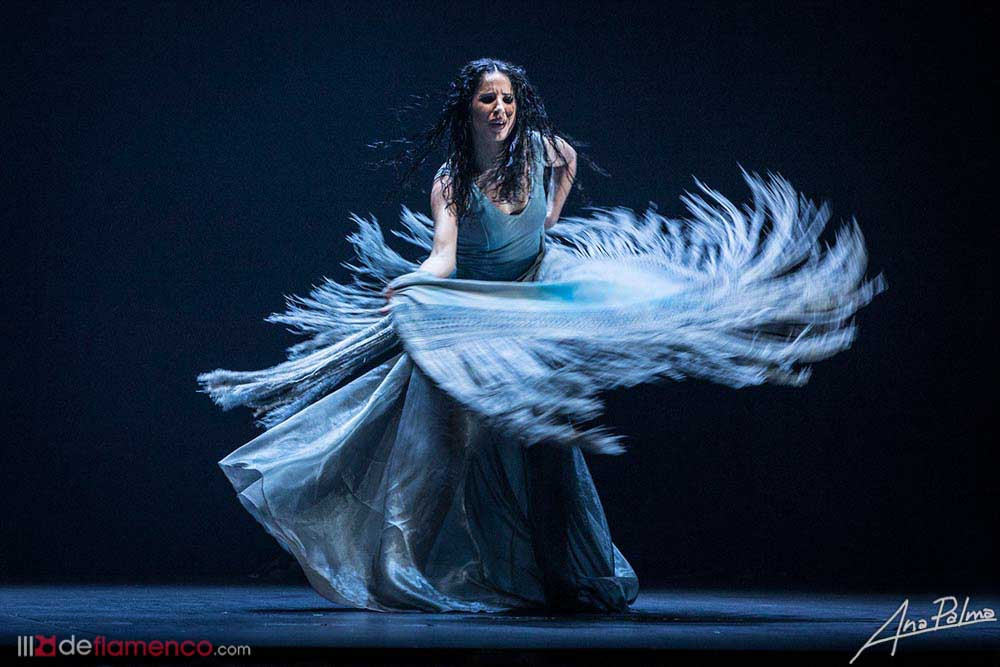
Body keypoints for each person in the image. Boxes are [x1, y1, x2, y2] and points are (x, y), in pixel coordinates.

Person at [197, 58, 885, 613]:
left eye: (508, 100)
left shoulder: (541, 154)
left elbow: (559, 182)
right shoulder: (451, 184)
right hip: (475, 320)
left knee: (548, 445)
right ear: (467, 111)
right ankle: (404, 570)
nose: (500, 109)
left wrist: (550, 225)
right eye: (487, 100)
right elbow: (443, 257)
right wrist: (412, 283)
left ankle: (566, 578)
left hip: (532, 306)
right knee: (441, 449)